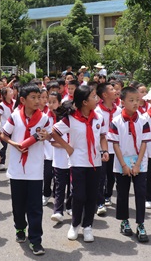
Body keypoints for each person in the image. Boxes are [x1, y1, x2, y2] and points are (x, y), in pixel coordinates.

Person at [51, 85, 109, 243]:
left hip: (95, 162)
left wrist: (104, 151)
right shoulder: (71, 118)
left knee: (92, 196)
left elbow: (103, 136)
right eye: (93, 97)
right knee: (78, 195)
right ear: (84, 102)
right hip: (78, 162)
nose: (96, 99)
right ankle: (75, 224)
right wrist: (68, 147)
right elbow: (54, 132)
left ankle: (88, 226)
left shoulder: (99, 117)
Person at [0, 84, 51, 256]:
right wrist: (15, 144)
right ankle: (20, 228)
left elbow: (49, 135)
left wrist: (46, 136)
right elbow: (4, 134)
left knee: (35, 207)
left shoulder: (44, 118)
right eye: (33, 97)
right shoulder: (15, 116)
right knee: (18, 204)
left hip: (35, 169)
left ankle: (36, 240)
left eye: (39, 97)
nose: (38, 101)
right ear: (22, 100)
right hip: (16, 169)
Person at [108, 86, 151, 243]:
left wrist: (138, 164)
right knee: (123, 193)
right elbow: (115, 145)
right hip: (122, 162)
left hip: (140, 162)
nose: (135, 103)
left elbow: (145, 143)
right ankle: (124, 221)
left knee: (140, 193)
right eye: (131, 100)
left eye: (137, 100)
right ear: (122, 102)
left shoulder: (144, 120)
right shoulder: (116, 121)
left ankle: (140, 224)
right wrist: (124, 165)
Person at [94, 82, 121, 214]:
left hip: (115, 148)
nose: (115, 90)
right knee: (100, 176)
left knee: (112, 176)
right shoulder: (96, 111)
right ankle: (99, 202)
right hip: (101, 148)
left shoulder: (119, 110)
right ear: (104, 95)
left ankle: (107, 195)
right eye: (112, 89)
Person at [48, 93, 72, 223]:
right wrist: (67, 146)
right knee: (59, 186)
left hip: (73, 160)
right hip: (59, 160)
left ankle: (70, 206)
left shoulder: (76, 125)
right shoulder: (59, 124)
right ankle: (58, 210)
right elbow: (52, 141)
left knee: (72, 186)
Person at [0, 86, 15, 170]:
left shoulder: (14, 102)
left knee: (15, 145)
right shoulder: (1, 105)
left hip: (14, 128)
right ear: (5, 95)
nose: (12, 93)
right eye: (10, 92)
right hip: (4, 128)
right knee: (4, 146)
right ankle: (1, 163)